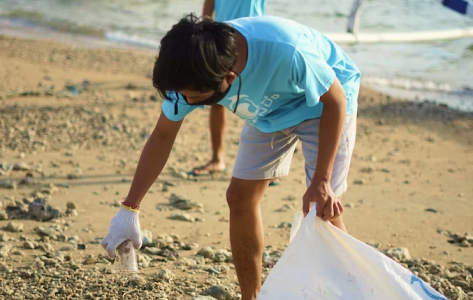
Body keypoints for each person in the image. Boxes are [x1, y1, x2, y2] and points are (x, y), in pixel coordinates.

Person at [102, 14, 360, 300]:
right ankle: (252, 297)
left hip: (325, 105)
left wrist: (322, 181)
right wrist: (130, 208)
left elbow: (335, 98)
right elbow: (162, 137)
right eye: (182, 96)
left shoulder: (286, 49)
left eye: (196, 99)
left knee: (322, 210)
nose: (185, 104)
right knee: (239, 198)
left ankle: (357, 291)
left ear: (229, 78)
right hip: (267, 112)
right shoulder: (188, 75)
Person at [192, 0, 281, 187]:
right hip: (220, 40)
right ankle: (217, 159)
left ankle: (269, 168)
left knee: (263, 101)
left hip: (254, 41)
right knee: (216, 99)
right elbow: (209, 6)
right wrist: (203, 39)